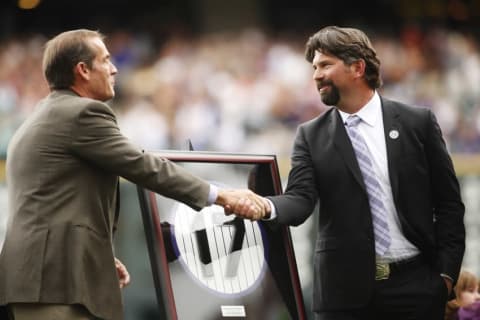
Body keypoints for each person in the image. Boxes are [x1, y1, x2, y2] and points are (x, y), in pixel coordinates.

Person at [0, 29, 265, 320]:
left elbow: (51, 206)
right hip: (54, 281)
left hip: (43, 276)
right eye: (106, 60)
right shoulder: (81, 113)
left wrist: (94, 257)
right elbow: (143, 166)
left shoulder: (42, 116)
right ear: (83, 70)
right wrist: (221, 194)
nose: (114, 69)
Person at [237, 26, 466, 320]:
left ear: (357, 67)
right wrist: (264, 205)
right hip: (343, 296)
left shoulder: (417, 123)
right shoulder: (310, 135)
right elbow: (300, 199)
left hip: (417, 288)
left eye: (325, 65)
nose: (316, 75)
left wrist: (445, 276)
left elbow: (448, 203)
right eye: (314, 67)